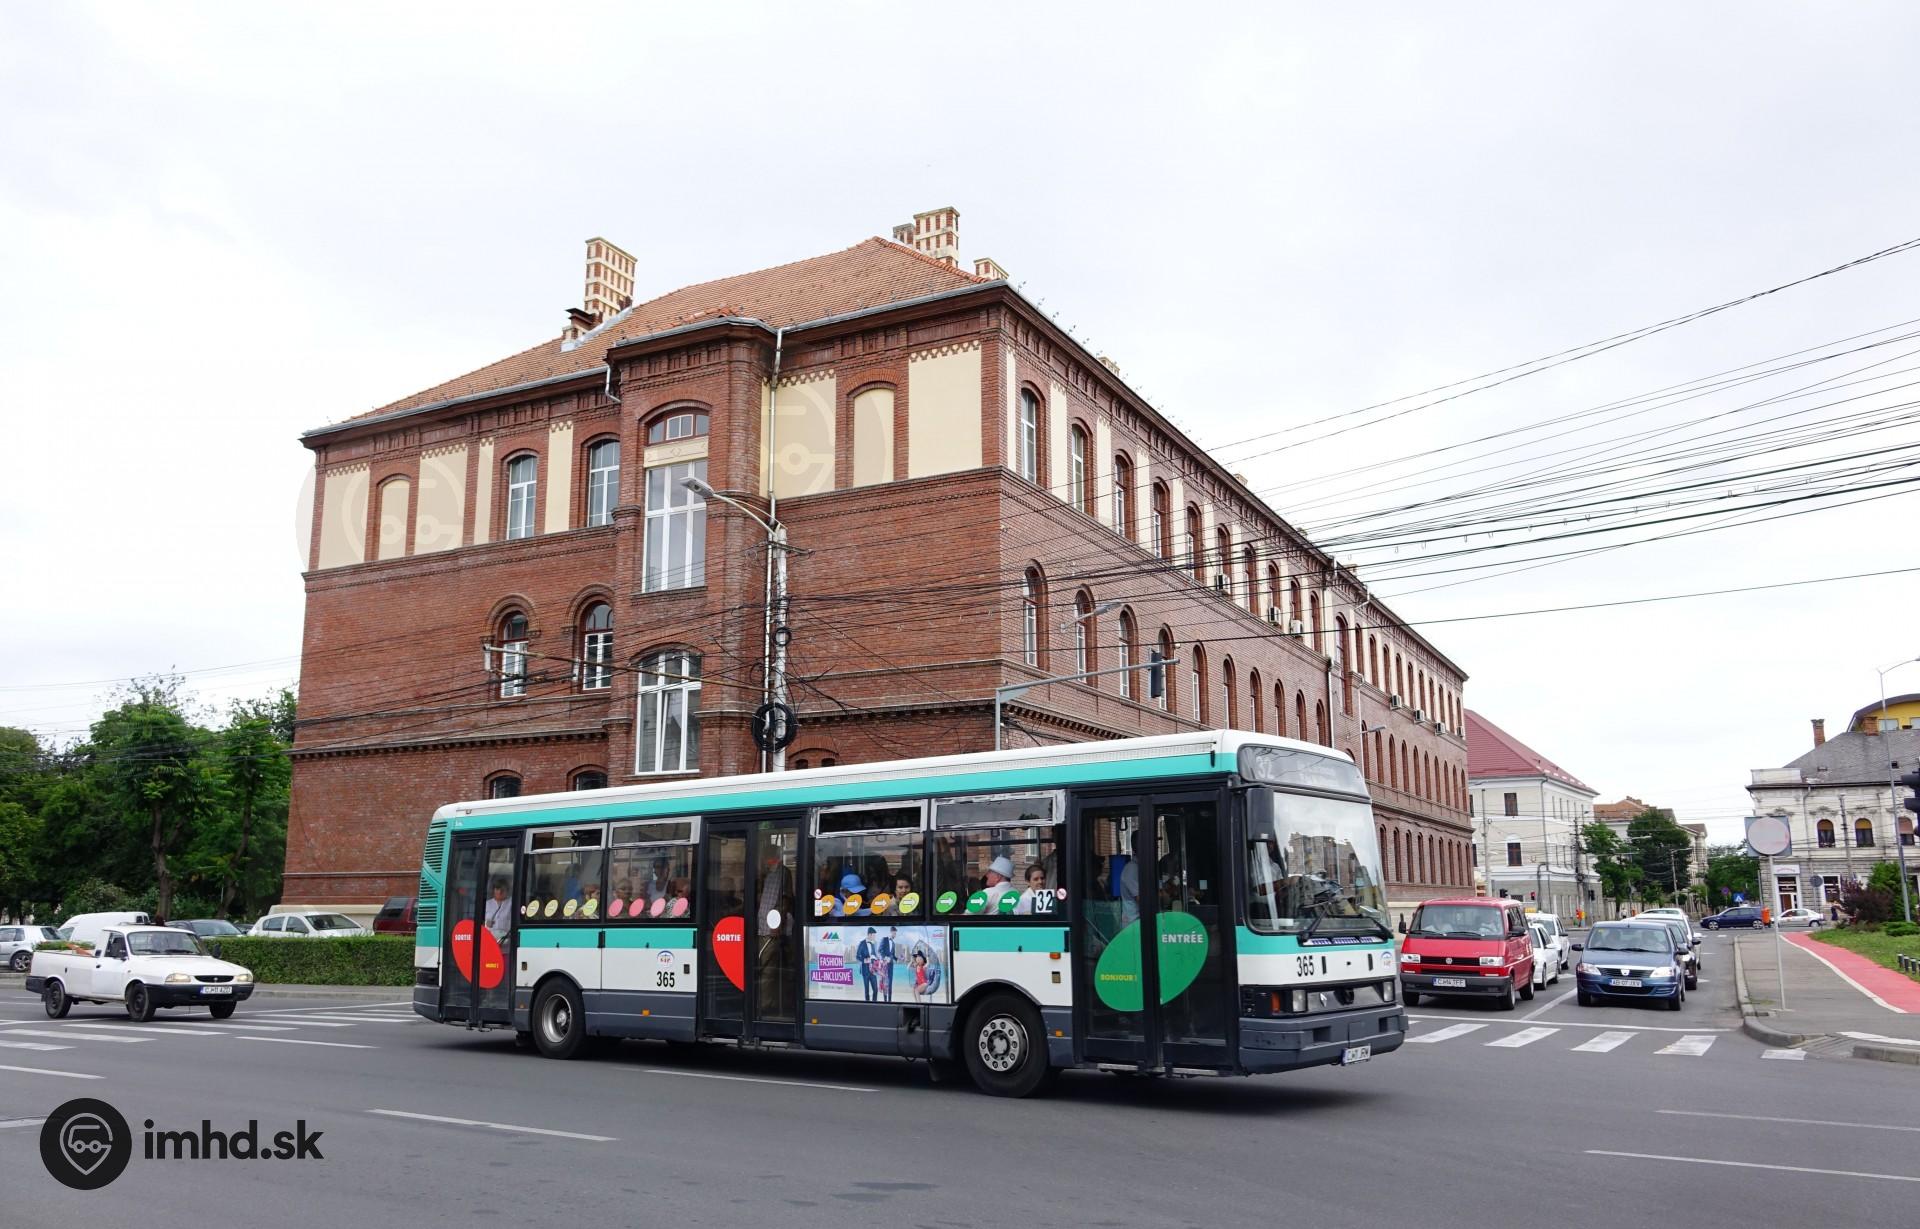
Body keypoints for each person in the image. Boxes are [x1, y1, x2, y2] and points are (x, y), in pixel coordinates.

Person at [854, 927, 881, 1002]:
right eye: (874, 935)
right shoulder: (862, 943)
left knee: (875, 989)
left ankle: (874, 1004)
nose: (874, 937)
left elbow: (874, 954)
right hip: (865, 971)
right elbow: (857, 956)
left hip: (873, 970)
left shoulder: (872, 944)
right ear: (869, 934)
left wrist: (877, 958)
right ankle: (868, 1005)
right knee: (867, 991)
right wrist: (864, 960)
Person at [878, 926, 898, 1001]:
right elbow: (879, 950)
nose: (895, 935)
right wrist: (885, 957)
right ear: (891, 932)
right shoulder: (884, 939)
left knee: (890, 983)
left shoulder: (893, 943)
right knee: (885, 983)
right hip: (884, 965)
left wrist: (897, 959)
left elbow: (893, 955)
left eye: (895, 934)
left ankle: (890, 1000)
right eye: (894, 933)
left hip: (891, 965)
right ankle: (885, 1000)